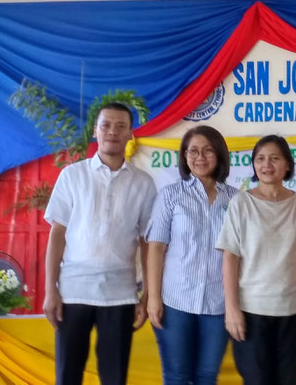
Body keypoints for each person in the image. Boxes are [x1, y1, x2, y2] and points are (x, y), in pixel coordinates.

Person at [43, 102, 157, 385]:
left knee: (114, 376)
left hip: (119, 294)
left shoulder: (144, 184)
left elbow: (147, 243)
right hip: (72, 293)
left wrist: (147, 296)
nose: (113, 132)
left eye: (121, 126)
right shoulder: (72, 176)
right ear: (95, 131)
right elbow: (57, 235)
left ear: (131, 134)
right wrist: (50, 291)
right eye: (106, 125)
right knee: (68, 375)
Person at [145, 125, 238, 385]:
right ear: (185, 156)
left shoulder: (236, 199)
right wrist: (153, 298)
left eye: (208, 150)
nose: (200, 157)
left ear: (219, 154)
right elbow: (156, 248)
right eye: (193, 151)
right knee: (176, 376)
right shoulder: (171, 195)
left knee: (207, 376)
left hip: (218, 305)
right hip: (176, 302)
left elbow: (240, 254)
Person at [216, 135, 296, 385]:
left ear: (287, 164)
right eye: (260, 159)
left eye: (274, 158)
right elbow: (230, 258)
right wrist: (232, 310)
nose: (266, 164)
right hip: (251, 311)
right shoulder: (241, 203)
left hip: (294, 310)